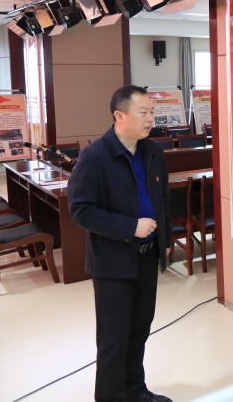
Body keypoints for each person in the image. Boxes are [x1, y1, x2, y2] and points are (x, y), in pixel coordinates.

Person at [68, 85, 173, 402]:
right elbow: (81, 210)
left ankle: (136, 391)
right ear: (120, 116)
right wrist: (131, 227)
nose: (151, 119)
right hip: (112, 261)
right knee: (114, 339)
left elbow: (163, 199)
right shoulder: (95, 157)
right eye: (144, 112)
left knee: (139, 331)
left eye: (152, 112)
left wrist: (165, 238)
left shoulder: (152, 152)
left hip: (147, 257)